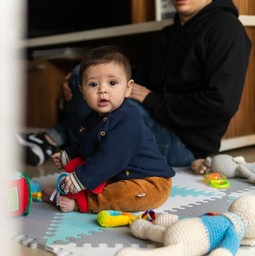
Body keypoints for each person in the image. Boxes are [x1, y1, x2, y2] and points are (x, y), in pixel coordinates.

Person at [19, 0, 252, 174]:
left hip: (184, 143)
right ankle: (54, 139)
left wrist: (151, 99)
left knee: (101, 91)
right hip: (153, 120)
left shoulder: (226, 29)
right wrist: (81, 86)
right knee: (87, 75)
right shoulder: (168, 35)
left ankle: (51, 140)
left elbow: (221, 104)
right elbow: (139, 82)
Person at [41, 45, 175, 213]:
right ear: (82, 92)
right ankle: (65, 194)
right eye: (93, 84)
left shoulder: (129, 120)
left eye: (112, 83)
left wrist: (81, 179)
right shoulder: (92, 118)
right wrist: (69, 155)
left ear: (128, 88)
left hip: (149, 182)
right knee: (94, 174)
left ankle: (83, 203)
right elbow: (88, 144)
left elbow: (110, 158)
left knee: (123, 194)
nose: (102, 90)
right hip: (117, 173)